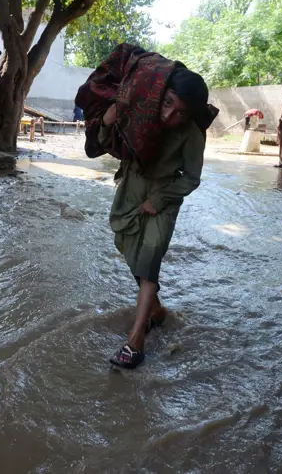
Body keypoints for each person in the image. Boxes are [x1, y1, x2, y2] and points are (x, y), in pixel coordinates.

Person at [101, 68, 210, 370]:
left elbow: (192, 178)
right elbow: (112, 144)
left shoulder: (191, 135)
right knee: (125, 245)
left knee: (150, 260)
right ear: (161, 95)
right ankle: (157, 310)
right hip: (131, 190)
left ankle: (136, 340)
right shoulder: (142, 115)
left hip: (164, 197)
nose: (170, 115)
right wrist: (108, 121)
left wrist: (159, 200)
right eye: (168, 103)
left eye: (181, 112)